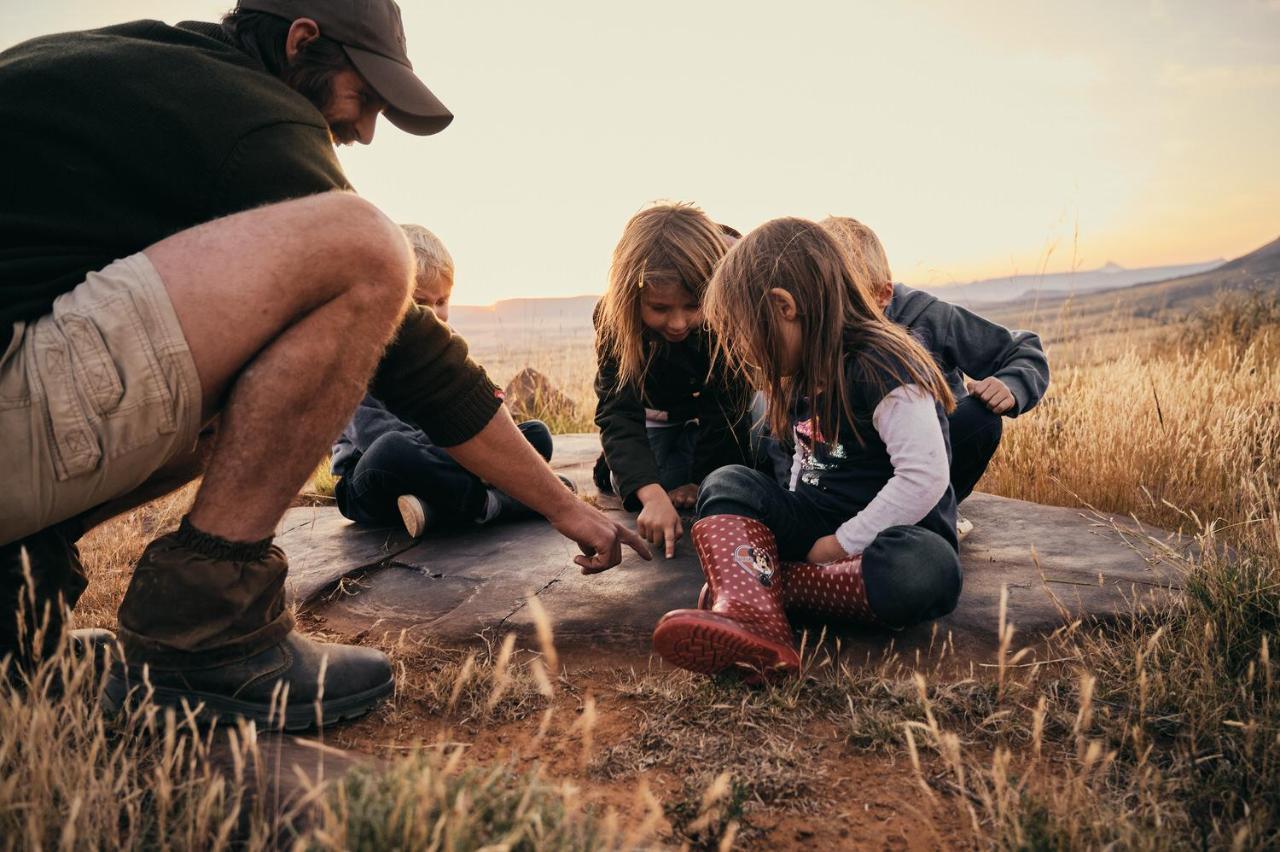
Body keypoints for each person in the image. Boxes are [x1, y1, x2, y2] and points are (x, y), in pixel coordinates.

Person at [0, 0, 648, 725]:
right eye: (364, 96)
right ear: (302, 42)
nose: (365, 131)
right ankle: (208, 634)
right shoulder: (253, 119)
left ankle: (13, 606)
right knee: (369, 246)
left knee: (241, 376)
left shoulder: (137, 69)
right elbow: (414, 358)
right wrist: (563, 505)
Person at [652, 218, 963, 680]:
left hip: (884, 538)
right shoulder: (801, 369)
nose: (741, 348)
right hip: (817, 524)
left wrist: (838, 547)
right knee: (726, 482)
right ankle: (757, 622)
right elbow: (804, 456)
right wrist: (792, 518)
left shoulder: (884, 364)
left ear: (785, 307)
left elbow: (924, 477)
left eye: (742, 333)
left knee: (926, 571)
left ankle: (767, 586)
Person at [332, 225, 572, 537]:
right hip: (372, 480)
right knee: (391, 449)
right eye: (420, 302)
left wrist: (484, 446)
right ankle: (493, 504)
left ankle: (435, 508)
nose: (433, 314)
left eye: (442, 301)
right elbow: (373, 435)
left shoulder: (444, 345)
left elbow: (478, 410)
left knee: (536, 435)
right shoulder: (354, 356)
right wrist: (470, 457)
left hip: (441, 465)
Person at [820, 217, 1050, 528]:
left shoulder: (926, 316)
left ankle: (933, 514)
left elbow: (1022, 348)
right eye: (827, 295)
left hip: (926, 460)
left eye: (851, 295)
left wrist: (1012, 384)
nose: (838, 308)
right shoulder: (812, 329)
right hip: (851, 468)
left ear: (881, 294)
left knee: (980, 419)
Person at [592, 205, 754, 559]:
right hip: (659, 412)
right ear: (631, 298)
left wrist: (702, 481)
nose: (678, 323)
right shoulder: (612, 319)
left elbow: (727, 409)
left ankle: (690, 469)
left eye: (692, 306)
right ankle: (622, 463)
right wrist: (651, 494)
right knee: (645, 482)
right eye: (661, 309)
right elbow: (618, 411)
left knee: (734, 476)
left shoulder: (729, 305)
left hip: (709, 413)